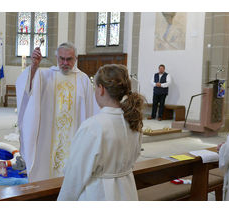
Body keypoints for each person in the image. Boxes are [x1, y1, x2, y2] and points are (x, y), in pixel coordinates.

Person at [57, 64, 144, 201]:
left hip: (99, 194)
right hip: (127, 192)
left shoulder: (93, 126)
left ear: (101, 89)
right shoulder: (134, 121)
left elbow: (75, 176)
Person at [16, 42, 97, 183]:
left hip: (74, 136)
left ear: (76, 59)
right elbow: (28, 91)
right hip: (48, 138)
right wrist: (34, 66)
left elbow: (90, 111)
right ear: (56, 58)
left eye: (69, 59)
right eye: (61, 59)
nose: (65, 63)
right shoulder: (46, 75)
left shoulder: (83, 79)